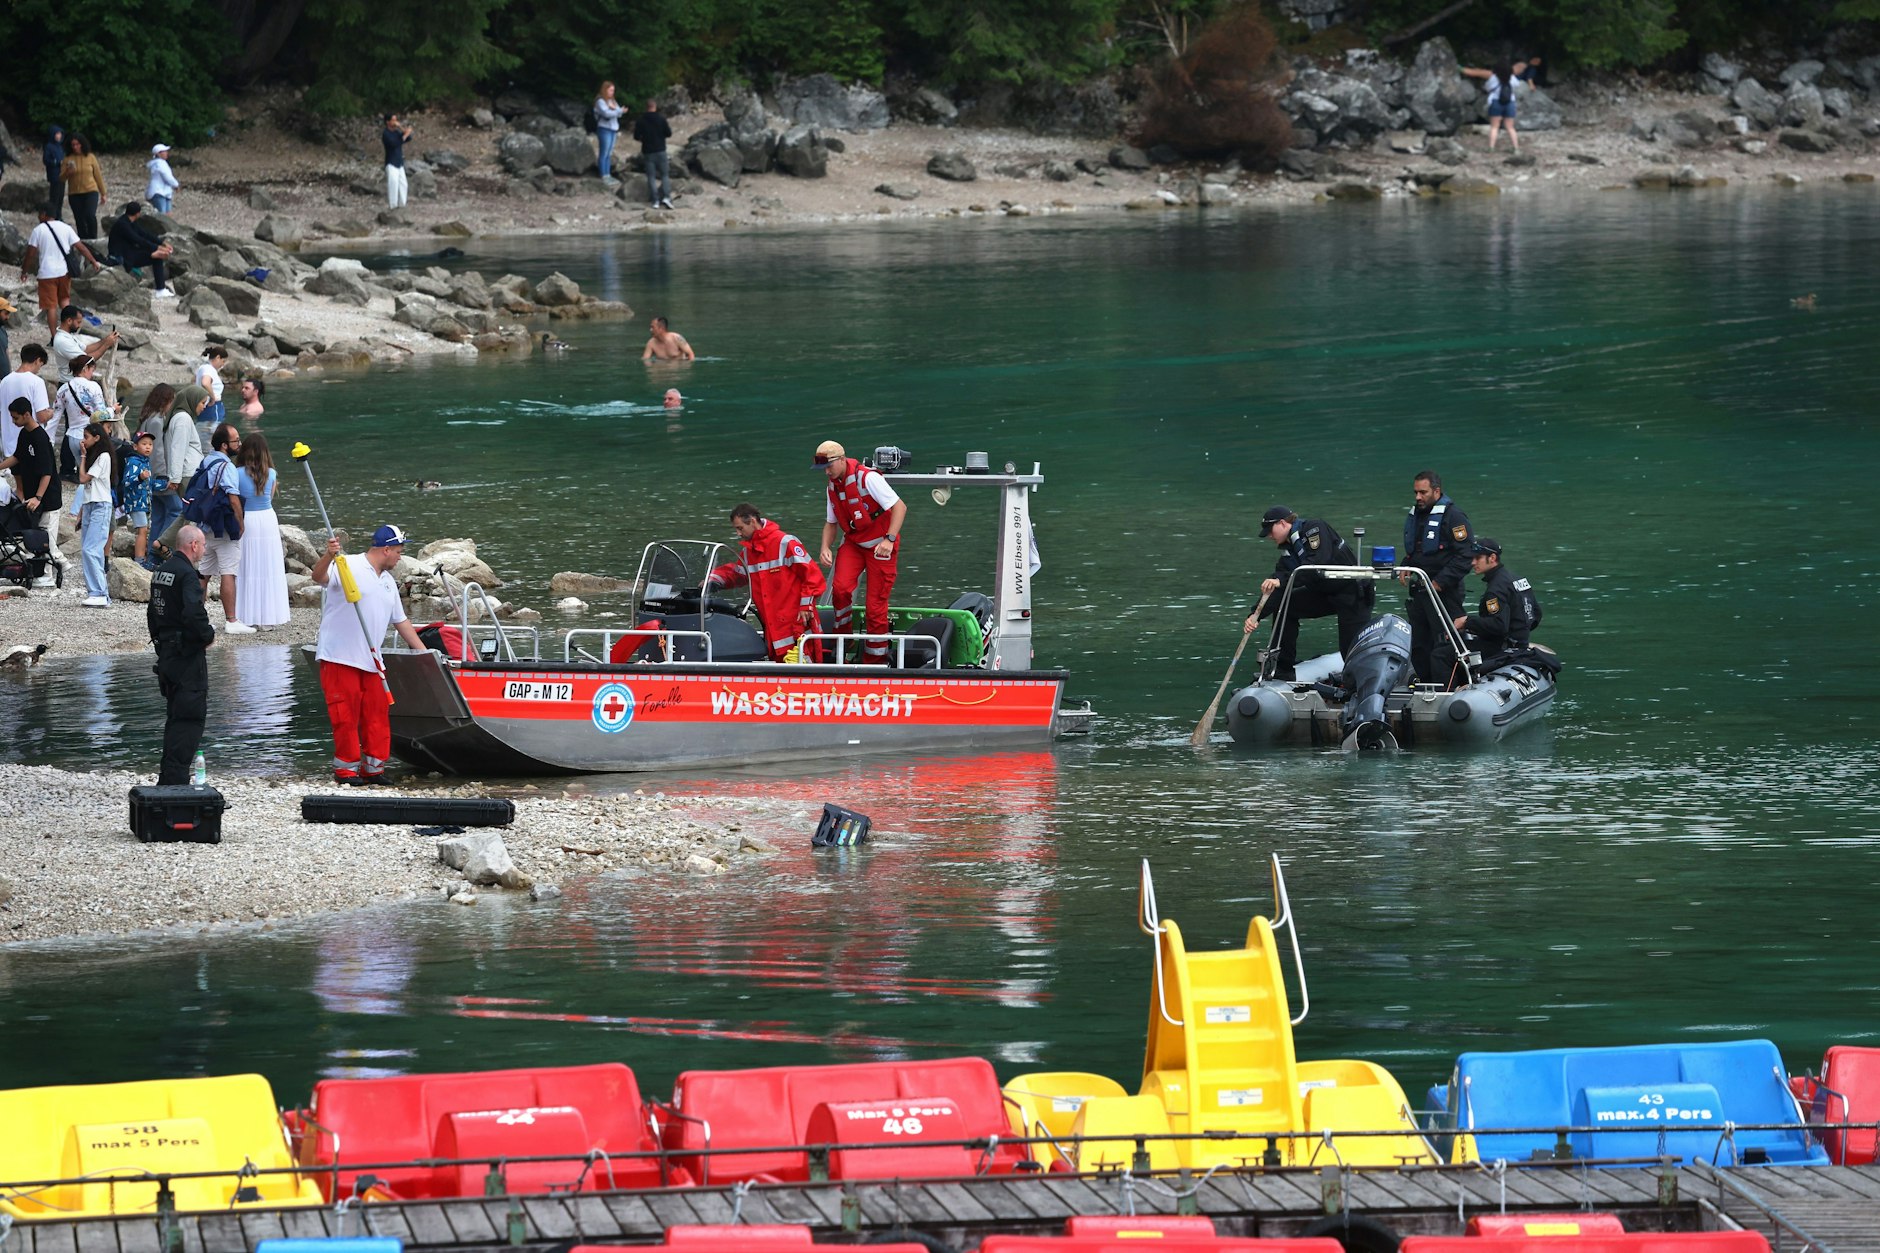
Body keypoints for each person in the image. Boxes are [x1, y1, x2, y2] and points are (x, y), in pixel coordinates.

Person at [312, 524, 427, 784]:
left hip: (372, 661)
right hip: (340, 656)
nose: (400, 557)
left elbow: (401, 621)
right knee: (345, 715)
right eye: (399, 551)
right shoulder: (347, 565)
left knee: (376, 715)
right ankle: (346, 770)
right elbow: (318, 577)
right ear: (386, 549)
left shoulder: (388, 582)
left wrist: (424, 653)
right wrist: (329, 555)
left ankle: (374, 769)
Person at [1243, 506, 1373, 681]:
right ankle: (1282, 668)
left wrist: (1282, 581)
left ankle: (1361, 680)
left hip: (1352, 593)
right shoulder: (1288, 551)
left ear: (1282, 523)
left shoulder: (1314, 529)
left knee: (1349, 650)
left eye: (1270, 531)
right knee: (1286, 606)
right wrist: (1255, 615)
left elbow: (1317, 564)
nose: (1269, 536)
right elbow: (1278, 587)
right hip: (1325, 593)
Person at [816, 440, 906, 664]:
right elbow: (831, 522)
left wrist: (889, 539)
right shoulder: (832, 487)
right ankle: (843, 639)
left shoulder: (867, 478)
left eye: (829, 466)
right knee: (840, 589)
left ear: (842, 460)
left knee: (875, 606)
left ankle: (875, 660)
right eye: (823, 468)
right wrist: (825, 547)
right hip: (855, 543)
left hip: (881, 545)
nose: (826, 472)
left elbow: (900, 507)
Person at [707, 503, 827, 662]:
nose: (738, 533)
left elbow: (813, 576)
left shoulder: (785, 543)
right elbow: (737, 573)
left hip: (796, 625)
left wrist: (806, 606)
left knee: (801, 665)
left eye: (740, 528)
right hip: (773, 627)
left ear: (752, 521)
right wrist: (712, 579)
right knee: (780, 665)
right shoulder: (749, 552)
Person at [148, 522, 217, 784]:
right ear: (193, 545)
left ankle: (169, 776)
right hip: (186, 656)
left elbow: (152, 613)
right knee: (189, 718)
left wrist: (161, 644)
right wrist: (207, 636)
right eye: (203, 545)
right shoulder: (187, 574)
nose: (204, 550)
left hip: (167, 655)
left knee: (175, 717)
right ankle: (175, 780)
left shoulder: (161, 571)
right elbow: (193, 612)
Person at [1434, 538, 1543, 688]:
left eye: (1477, 558)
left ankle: (1446, 696)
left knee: (1440, 655)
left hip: (1501, 648)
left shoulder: (1496, 589)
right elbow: (1536, 615)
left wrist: (1466, 622)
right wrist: (1519, 634)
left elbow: (1499, 626)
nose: (1473, 562)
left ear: (1492, 558)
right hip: (1519, 645)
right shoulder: (1518, 579)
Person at [1399, 470, 1474, 682]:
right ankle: (1426, 683)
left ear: (1437, 491)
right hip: (1421, 590)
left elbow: (1466, 555)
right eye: (1416, 492)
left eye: (1423, 492)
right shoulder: (1418, 515)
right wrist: (1406, 565)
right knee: (1420, 644)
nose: (1418, 497)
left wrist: (1440, 582)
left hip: (1445, 592)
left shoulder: (1454, 517)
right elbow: (1418, 551)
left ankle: (1452, 687)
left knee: (1445, 644)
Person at [1, 396, 63, 587]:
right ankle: (45, 568)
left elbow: (47, 472)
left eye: (16, 417)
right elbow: (17, 457)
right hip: (32, 494)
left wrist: (38, 497)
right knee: (36, 533)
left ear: (27, 414)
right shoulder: (24, 434)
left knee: (47, 534)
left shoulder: (40, 438)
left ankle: (48, 575)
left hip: (48, 495)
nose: (13, 421)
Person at [196, 423, 250, 633]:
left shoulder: (207, 460)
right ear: (225, 445)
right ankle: (231, 621)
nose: (239, 444)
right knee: (228, 572)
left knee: (203, 574)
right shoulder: (227, 466)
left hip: (205, 526)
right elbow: (233, 498)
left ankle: (197, 618)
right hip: (223, 527)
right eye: (236, 440)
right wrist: (240, 523)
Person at [234, 432, 288, 629]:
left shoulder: (236, 473)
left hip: (247, 519)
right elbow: (269, 498)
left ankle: (247, 615)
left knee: (247, 566)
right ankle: (268, 617)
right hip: (267, 519)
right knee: (268, 567)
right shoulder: (271, 473)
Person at [23, 208, 100, 336]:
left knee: (51, 307)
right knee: (65, 301)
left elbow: (30, 253)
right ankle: (68, 333)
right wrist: (93, 261)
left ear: (44, 214)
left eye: (39, 214)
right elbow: (80, 247)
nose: (38, 217)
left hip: (47, 274)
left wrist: (24, 272)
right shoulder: (66, 228)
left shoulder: (38, 230)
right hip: (64, 272)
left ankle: (55, 337)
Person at [150, 384, 208, 551]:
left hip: (187, 474)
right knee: (191, 514)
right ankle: (174, 548)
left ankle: (165, 545)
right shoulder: (183, 419)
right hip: (188, 474)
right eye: (202, 402)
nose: (204, 407)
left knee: (188, 513)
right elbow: (178, 449)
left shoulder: (179, 417)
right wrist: (174, 478)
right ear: (193, 400)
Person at [0, 345, 54, 506]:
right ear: (37, 360)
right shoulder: (36, 382)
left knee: (20, 489)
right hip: (31, 443)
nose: (38, 369)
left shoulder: (5, 381)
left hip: (10, 443)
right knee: (33, 490)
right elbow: (41, 416)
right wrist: (52, 413)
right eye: (40, 365)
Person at [75, 421, 117, 607]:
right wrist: (81, 512)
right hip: (90, 505)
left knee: (90, 549)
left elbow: (83, 478)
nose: (83, 440)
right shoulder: (96, 456)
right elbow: (88, 489)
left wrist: (83, 456)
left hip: (101, 505)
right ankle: (98, 592)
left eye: (86, 437)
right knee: (91, 549)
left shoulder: (104, 456)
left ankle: (98, 592)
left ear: (97, 438)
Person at [107, 202, 176, 298]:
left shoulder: (128, 221)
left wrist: (162, 243)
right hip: (121, 257)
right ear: (138, 214)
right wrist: (157, 248)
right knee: (156, 256)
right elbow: (138, 240)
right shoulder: (123, 225)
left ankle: (161, 289)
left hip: (128, 252)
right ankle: (160, 290)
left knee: (155, 255)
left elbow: (144, 234)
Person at [51, 304, 119, 384]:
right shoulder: (62, 340)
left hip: (75, 382)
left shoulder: (68, 336)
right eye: (78, 322)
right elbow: (85, 360)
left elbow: (86, 349)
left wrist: (106, 340)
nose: (80, 326)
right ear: (69, 321)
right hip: (69, 383)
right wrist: (106, 345)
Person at [1462, 60, 1520, 151]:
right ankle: (1516, 148)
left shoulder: (1494, 78)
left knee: (1494, 127)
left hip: (1496, 102)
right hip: (1510, 103)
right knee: (1510, 127)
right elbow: (1517, 85)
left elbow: (1487, 87)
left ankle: (1491, 148)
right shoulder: (1512, 78)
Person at [61, 134, 106, 240]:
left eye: (77, 144)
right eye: (73, 145)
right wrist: (67, 172)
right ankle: (83, 241)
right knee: (79, 219)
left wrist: (103, 193)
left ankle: (93, 238)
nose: (75, 147)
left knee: (90, 215)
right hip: (74, 193)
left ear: (82, 144)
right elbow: (61, 178)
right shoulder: (68, 158)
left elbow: (98, 176)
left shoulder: (90, 157)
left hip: (90, 190)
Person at [122, 428, 155, 564]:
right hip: (135, 502)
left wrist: (165, 484)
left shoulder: (145, 462)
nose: (148, 447)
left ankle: (142, 558)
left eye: (150, 444)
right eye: (144, 444)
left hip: (144, 502)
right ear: (135, 447)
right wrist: (140, 477)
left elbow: (150, 484)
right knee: (142, 529)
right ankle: (139, 560)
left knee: (144, 529)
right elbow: (126, 482)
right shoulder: (133, 462)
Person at [633, 98, 674, 208]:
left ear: (646, 107)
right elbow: (669, 133)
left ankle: (655, 201)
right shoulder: (661, 119)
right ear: (655, 107)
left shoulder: (641, 120)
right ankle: (666, 197)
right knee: (664, 175)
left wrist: (643, 139)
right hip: (661, 150)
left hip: (648, 151)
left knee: (651, 177)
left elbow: (636, 136)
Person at [594, 81, 626, 179]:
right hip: (604, 129)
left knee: (609, 153)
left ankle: (608, 174)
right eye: (611, 90)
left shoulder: (613, 101)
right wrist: (617, 110)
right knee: (604, 153)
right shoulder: (600, 101)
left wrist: (617, 110)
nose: (612, 92)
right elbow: (606, 113)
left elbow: (619, 114)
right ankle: (603, 175)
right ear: (605, 90)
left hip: (613, 129)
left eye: (613, 90)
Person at [382, 113, 413, 209]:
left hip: (399, 162)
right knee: (393, 184)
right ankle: (393, 206)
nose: (395, 122)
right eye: (393, 120)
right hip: (391, 162)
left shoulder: (396, 132)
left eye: (396, 120)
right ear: (388, 122)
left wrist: (402, 129)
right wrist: (405, 135)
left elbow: (408, 138)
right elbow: (394, 144)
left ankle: (402, 205)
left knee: (404, 184)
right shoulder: (386, 134)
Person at [194, 345, 228, 428]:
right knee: (215, 430)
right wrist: (212, 398)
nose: (222, 365)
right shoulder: (208, 369)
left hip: (205, 406)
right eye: (223, 361)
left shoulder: (203, 367)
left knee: (204, 430)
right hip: (212, 407)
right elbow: (205, 383)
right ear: (218, 357)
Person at [42, 125, 66, 222]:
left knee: (60, 197)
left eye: (60, 134)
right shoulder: (49, 146)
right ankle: (53, 216)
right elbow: (46, 160)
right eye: (57, 134)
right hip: (54, 175)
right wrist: (56, 162)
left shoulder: (60, 146)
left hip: (62, 175)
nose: (59, 136)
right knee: (54, 197)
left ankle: (59, 215)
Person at [146, 143, 179, 214]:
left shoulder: (156, 164)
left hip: (163, 192)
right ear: (158, 154)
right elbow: (167, 177)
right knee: (162, 215)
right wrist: (176, 185)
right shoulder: (160, 164)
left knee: (166, 214)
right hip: (159, 192)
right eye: (164, 151)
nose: (167, 153)